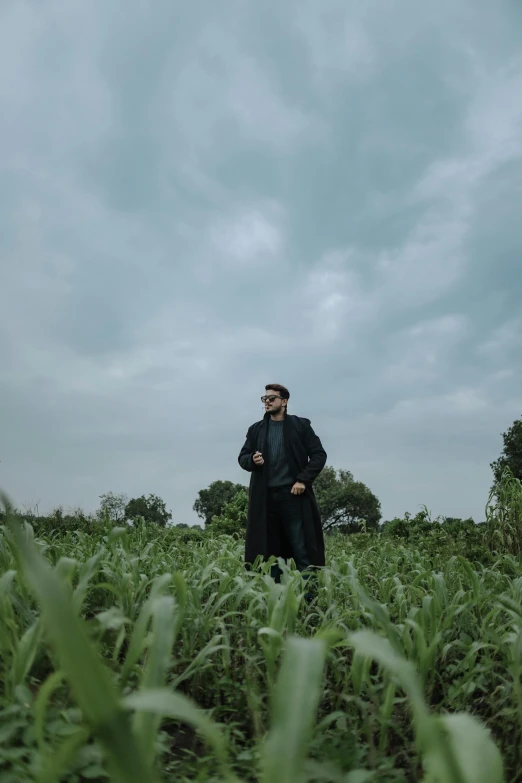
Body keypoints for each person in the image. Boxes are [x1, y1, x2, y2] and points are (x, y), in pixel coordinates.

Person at [238, 383, 327, 591]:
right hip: (266, 500)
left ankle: (310, 600)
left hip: (293, 497)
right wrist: (252, 459)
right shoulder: (256, 430)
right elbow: (242, 457)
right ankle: (276, 597)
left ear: (284, 402)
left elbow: (319, 455)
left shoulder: (301, 426)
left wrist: (303, 480)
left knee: (302, 548)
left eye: (271, 398)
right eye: (264, 399)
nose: (267, 402)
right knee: (271, 552)